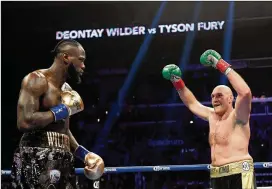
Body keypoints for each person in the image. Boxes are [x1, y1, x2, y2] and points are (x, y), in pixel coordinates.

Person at [11, 39, 105, 189]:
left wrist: (84, 154)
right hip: (35, 155)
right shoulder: (36, 80)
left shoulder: (66, 89)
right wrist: (61, 111)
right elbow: (24, 122)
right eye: (80, 60)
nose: (83, 66)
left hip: (63, 158)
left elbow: (63, 130)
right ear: (66, 57)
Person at [162, 50, 256, 189]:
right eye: (212, 96)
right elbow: (192, 103)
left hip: (239, 172)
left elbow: (245, 92)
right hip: (216, 175)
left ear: (230, 99)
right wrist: (177, 81)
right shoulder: (211, 116)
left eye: (219, 96)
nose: (215, 99)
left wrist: (220, 64)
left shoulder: (238, 116)